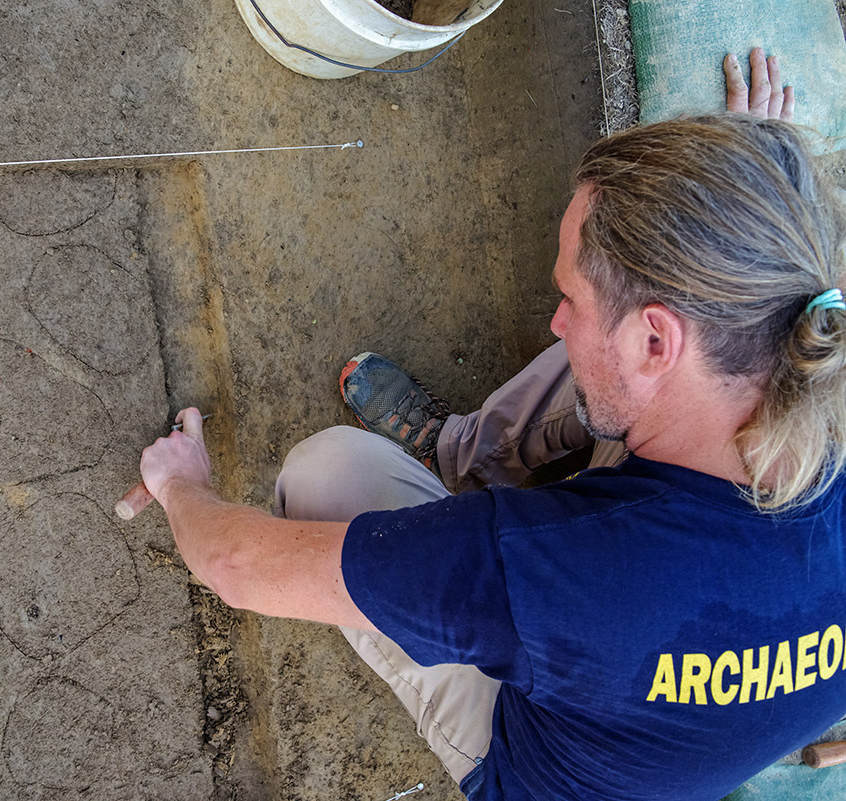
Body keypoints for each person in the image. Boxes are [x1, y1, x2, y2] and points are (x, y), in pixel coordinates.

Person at [137, 48, 845, 800]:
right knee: (650, 353)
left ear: (656, 340)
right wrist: (746, 205)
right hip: (667, 708)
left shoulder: (549, 569)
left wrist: (182, 484)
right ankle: (467, 453)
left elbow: (238, 567)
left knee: (329, 471)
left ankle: (460, 464)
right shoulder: (814, 356)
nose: (554, 320)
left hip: (533, 750)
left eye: (568, 295)